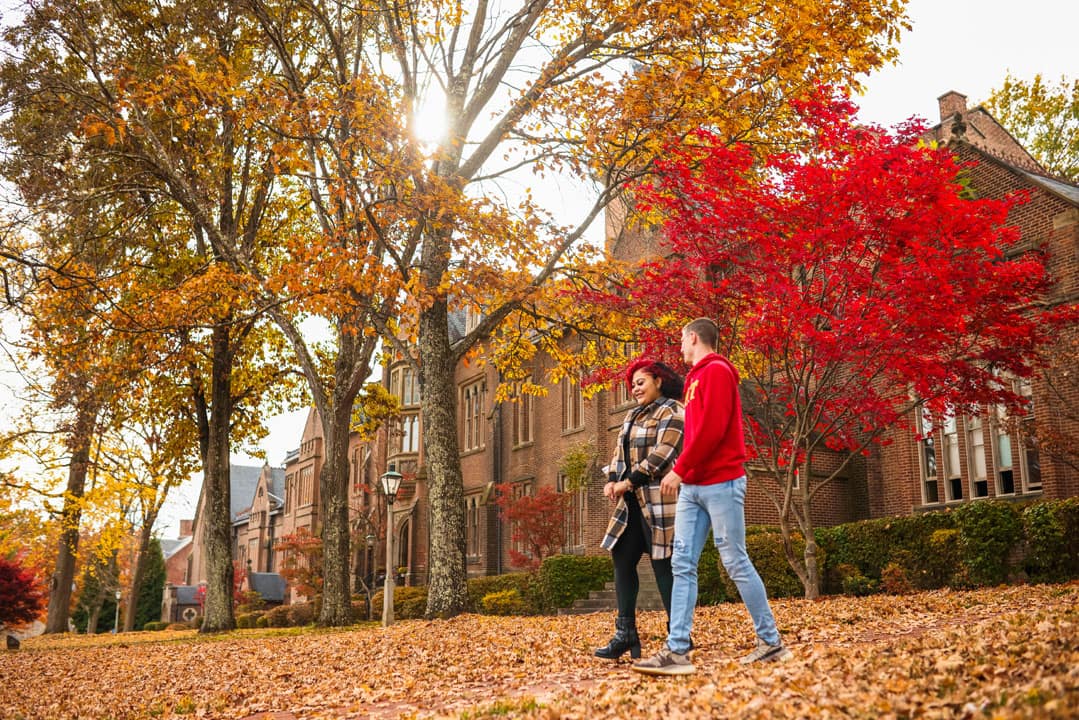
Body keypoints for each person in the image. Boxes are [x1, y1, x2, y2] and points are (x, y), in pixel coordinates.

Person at [633, 318, 791, 676]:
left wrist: (679, 469)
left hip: (721, 482)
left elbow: (713, 430)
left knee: (734, 560)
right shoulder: (693, 379)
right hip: (694, 487)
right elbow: (693, 432)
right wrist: (686, 473)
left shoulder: (718, 372)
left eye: (681, 340)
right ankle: (677, 652)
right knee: (682, 562)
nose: (680, 347)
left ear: (693, 337)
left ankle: (771, 643)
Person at [594, 359, 685, 660]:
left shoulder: (672, 410)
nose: (634, 388)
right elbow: (619, 453)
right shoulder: (631, 415)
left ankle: (679, 636)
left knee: (663, 566)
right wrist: (611, 480)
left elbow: (664, 454)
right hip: (631, 505)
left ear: (659, 380)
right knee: (621, 558)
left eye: (641, 381)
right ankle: (625, 634)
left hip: (659, 502)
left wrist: (628, 483)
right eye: (632, 384)